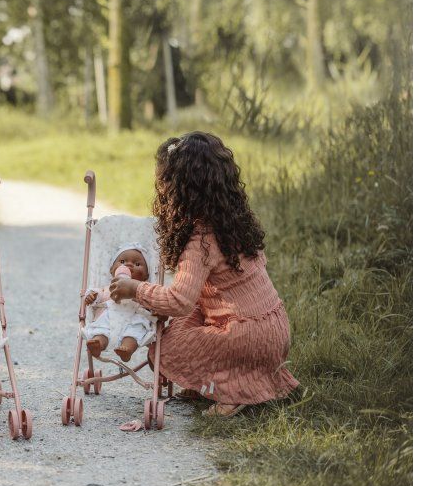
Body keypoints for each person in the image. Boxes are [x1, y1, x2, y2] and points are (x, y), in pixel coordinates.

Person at [109, 132, 299, 418]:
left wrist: (135, 288)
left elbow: (179, 300)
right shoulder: (235, 224)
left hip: (246, 338)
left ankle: (232, 390)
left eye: (164, 183)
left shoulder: (201, 241)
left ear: (181, 190)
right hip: (274, 330)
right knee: (180, 324)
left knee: (164, 347)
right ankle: (222, 379)